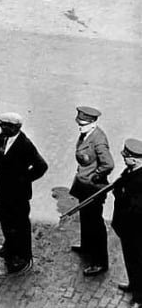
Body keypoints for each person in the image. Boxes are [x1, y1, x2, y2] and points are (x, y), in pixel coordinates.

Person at [0, 112, 48, 271]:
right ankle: (8, 246)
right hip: (3, 189)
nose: (0, 127)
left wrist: (24, 179)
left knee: (20, 224)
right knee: (6, 220)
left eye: (4, 125)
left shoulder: (25, 145)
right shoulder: (1, 138)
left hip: (18, 194)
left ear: (15, 127)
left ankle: (22, 255)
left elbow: (41, 166)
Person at [69, 106, 114, 276]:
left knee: (95, 224)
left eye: (83, 124)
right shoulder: (86, 134)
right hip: (84, 186)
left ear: (93, 123)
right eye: (79, 123)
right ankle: (86, 246)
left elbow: (108, 164)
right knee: (85, 218)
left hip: (93, 189)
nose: (80, 126)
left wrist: (96, 175)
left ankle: (100, 262)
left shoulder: (98, 140)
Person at [112, 138, 142, 308]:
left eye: (126, 156)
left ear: (135, 159)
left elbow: (137, 209)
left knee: (138, 262)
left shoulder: (140, 179)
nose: (123, 158)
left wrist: (121, 194)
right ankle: (133, 285)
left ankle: (139, 297)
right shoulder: (131, 170)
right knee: (130, 260)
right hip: (127, 227)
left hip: (136, 229)